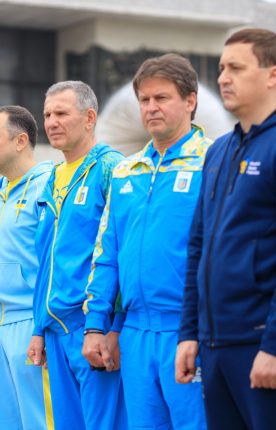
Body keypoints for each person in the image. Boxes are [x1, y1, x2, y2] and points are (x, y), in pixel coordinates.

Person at [175, 28, 276, 430]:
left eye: (236, 68)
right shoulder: (219, 151)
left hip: (266, 344)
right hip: (216, 344)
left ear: (272, 75)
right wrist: (189, 333)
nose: (223, 78)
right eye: (221, 68)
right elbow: (198, 247)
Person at [82, 54, 210, 430]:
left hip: (189, 331)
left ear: (190, 100)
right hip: (136, 333)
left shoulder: (213, 161)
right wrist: (96, 324)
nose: (151, 107)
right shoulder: (126, 170)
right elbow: (107, 254)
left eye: (162, 98)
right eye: (144, 99)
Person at [26, 81, 127, 430]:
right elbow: (45, 262)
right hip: (55, 330)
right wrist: (39, 328)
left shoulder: (111, 168)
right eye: (47, 115)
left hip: (92, 328)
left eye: (61, 113)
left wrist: (112, 327)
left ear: (89, 118)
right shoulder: (51, 178)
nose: (52, 122)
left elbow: (119, 254)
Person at [0, 105, 54, 430]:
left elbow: (52, 265)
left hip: (31, 323)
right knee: (6, 422)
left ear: (21, 141)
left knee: (39, 421)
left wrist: (41, 329)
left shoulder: (47, 186)